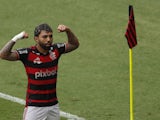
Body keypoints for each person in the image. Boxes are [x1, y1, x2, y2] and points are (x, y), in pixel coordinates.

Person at [0, 23, 79, 120]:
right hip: (34, 107)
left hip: (53, 105)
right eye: (44, 37)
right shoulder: (28, 53)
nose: (48, 39)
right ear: (36, 39)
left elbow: (74, 44)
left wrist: (68, 30)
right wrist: (16, 38)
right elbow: (3, 55)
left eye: (50, 36)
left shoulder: (56, 49)